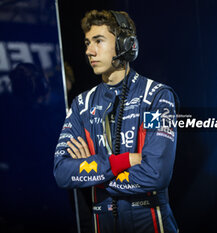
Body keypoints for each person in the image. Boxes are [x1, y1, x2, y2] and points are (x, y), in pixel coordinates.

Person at [53, 10, 179, 233]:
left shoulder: (157, 96)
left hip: (150, 223)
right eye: (87, 43)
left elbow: (157, 173)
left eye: (98, 41)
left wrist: (92, 173)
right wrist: (123, 162)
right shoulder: (82, 104)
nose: (89, 51)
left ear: (125, 44)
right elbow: (62, 172)